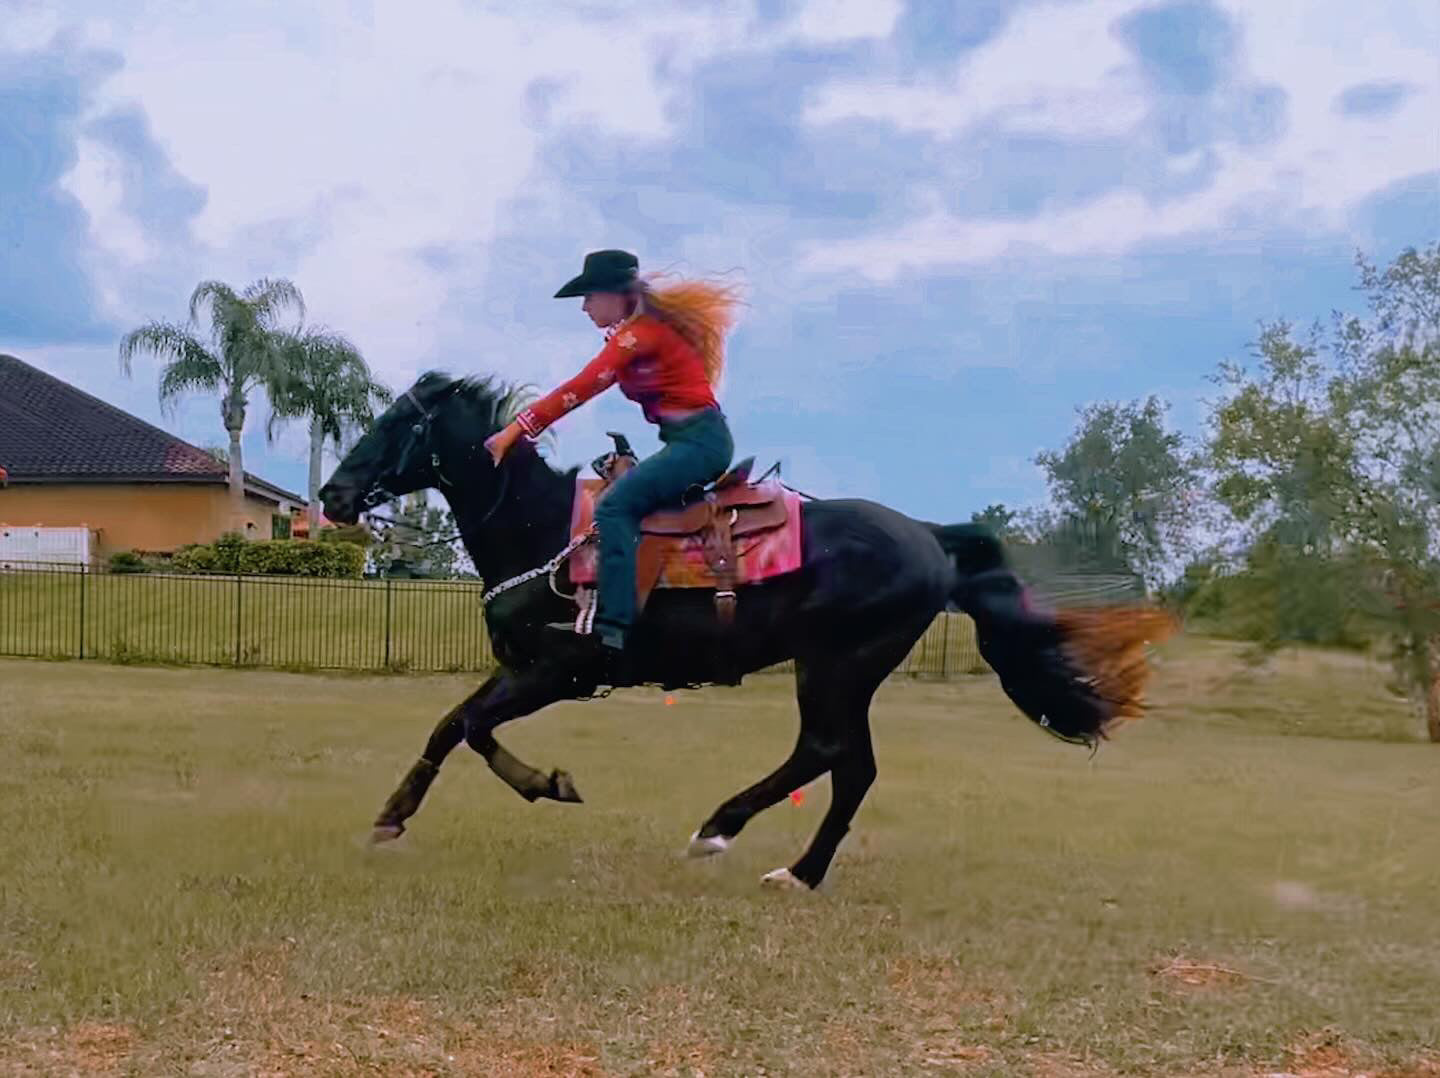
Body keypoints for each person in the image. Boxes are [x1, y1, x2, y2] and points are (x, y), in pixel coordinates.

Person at [484, 250, 738, 657]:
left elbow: (580, 386)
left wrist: (514, 430)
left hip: (699, 445)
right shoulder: (642, 333)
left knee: (614, 508)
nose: (584, 307)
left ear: (617, 295)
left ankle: (614, 627)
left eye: (589, 296)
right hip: (691, 442)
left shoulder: (637, 337)